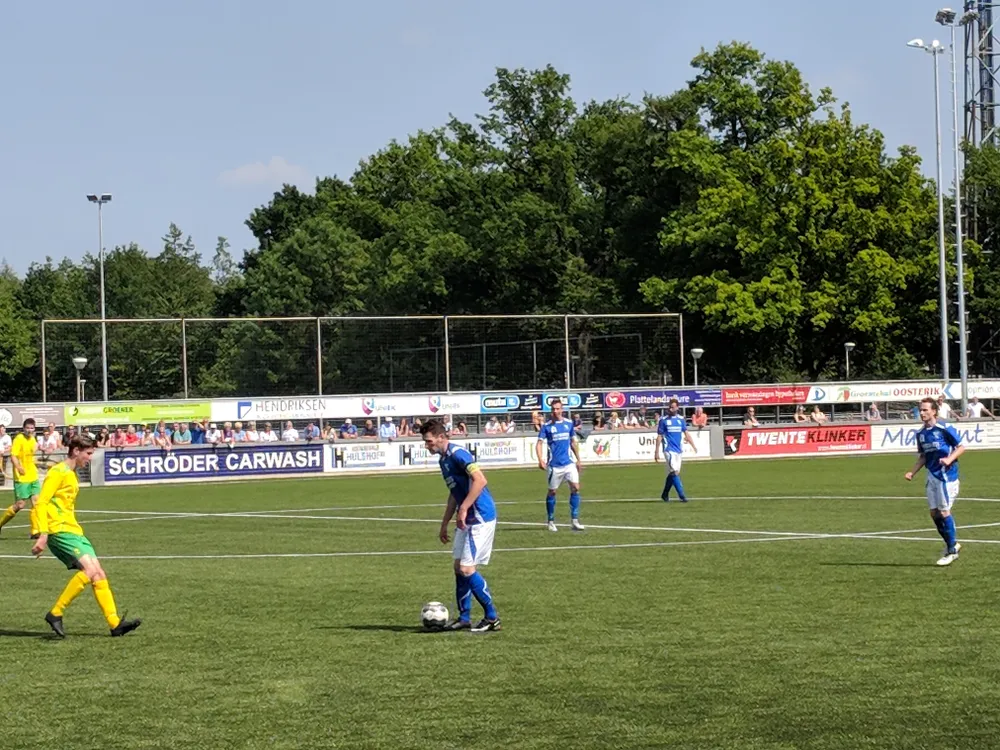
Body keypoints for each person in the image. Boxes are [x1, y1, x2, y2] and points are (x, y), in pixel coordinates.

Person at [32, 435, 142, 638]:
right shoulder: (57, 472)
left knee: (98, 573)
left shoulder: (71, 474)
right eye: (88, 453)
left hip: (73, 530)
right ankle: (56, 613)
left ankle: (114, 623)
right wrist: (43, 533)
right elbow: (41, 502)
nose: (90, 458)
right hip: (59, 530)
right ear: (76, 451)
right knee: (90, 570)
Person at [421, 419, 501, 632]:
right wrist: (444, 523)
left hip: (481, 516)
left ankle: (492, 618)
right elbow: (454, 493)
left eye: (429, 441)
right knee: (458, 568)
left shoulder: (459, 454)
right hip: (467, 518)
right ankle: (464, 618)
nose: (426, 445)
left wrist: (464, 508)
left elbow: (480, 480)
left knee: (466, 568)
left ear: (441, 437)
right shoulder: (443, 460)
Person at [905, 397, 965, 566]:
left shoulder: (944, 428)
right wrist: (912, 472)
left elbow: (961, 447)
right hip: (932, 475)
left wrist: (949, 459)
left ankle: (952, 551)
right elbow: (923, 456)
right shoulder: (921, 434)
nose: (922, 413)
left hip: (947, 477)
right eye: (920, 410)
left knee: (944, 512)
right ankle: (952, 544)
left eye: (925, 410)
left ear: (934, 411)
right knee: (934, 514)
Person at [535, 399, 584, 532]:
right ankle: (551, 521)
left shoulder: (568, 424)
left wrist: (578, 460)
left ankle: (575, 521)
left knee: (575, 488)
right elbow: (539, 443)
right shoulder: (546, 426)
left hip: (569, 463)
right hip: (554, 465)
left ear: (562, 409)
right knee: (552, 491)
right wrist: (540, 460)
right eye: (553, 409)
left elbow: (573, 442)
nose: (555, 411)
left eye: (557, 409)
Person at [0, 418, 41, 538]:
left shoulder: (33, 439)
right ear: (24, 428)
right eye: (27, 428)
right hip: (22, 477)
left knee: (36, 502)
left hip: (33, 475)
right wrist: (18, 466)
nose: (30, 430)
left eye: (32, 428)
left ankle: (35, 531)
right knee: (20, 505)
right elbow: (13, 455)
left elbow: (32, 453)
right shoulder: (19, 439)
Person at [655, 398, 698, 502]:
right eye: (670, 407)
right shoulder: (663, 420)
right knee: (674, 472)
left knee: (674, 473)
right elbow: (659, 436)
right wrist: (656, 452)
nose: (670, 409)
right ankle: (682, 495)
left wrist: (693, 446)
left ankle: (665, 494)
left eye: (673, 407)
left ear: (677, 408)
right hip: (668, 450)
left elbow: (686, 433)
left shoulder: (681, 420)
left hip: (678, 450)